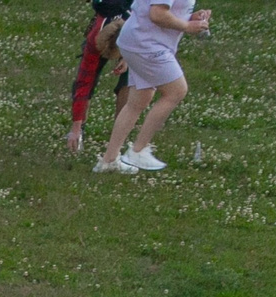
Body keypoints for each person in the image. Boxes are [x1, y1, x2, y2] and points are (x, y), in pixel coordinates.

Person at [98, 0, 209, 173]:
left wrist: (190, 18)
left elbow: (163, 10)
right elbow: (157, 13)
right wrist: (187, 26)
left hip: (138, 41)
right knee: (176, 91)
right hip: (146, 43)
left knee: (139, 100)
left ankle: (109, 160)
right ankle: (138, 150)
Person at [68, 0, 134, 157]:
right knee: (87, 79)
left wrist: (127, 58)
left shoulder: (138, 24)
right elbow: (84, 82)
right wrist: (75, 126)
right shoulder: (95, 39)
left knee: (130, 81)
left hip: (132, 33)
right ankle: (80, 130)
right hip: (112, 20)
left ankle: (120, 134)